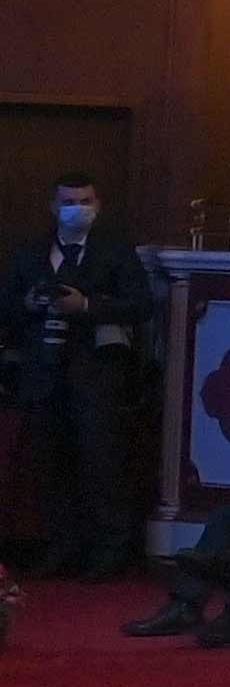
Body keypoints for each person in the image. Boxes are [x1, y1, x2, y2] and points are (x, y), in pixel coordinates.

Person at [5, 169, 158, 577]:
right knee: (49, 465)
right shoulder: (30, 253)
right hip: (43, 372)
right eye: (69, 203)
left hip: (97, 372)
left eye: (85, 202)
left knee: (101, 464)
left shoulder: (115, 252)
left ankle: (108, 551)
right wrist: (30, 303)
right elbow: (6, 307)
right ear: (53, 207)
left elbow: (141, 305)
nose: (77, 209)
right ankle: (62, 548)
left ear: (98, 205)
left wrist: (87, 306)